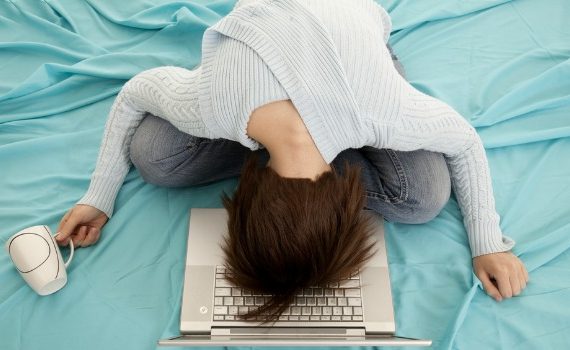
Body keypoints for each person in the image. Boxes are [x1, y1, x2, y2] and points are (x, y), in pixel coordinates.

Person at [56, 0, 528, 319]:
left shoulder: (381, 107)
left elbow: (464, 140)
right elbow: (136, 92)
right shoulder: (210, 102)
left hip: (348, 43)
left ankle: (341, 79)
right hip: (261, 46)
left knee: (423, 198)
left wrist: (488, 240)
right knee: (155, 160)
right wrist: (98, 196)